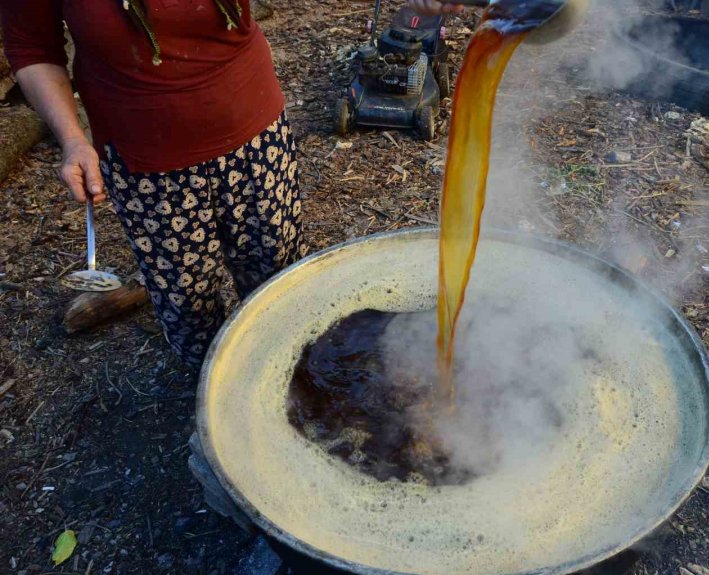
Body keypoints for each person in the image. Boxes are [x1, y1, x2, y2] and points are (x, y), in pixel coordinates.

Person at [1, 0, 462, 368]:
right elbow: (32, 48)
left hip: (254, 139)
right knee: (188, 304)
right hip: (147, 164)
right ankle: (218, 412)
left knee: (279, 284)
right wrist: (73, 140)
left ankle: (290, 378)